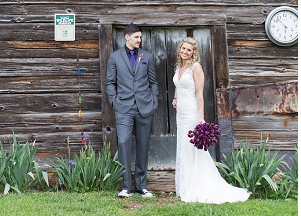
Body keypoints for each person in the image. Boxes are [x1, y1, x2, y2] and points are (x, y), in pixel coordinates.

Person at [172, 37, 249, 203]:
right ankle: (185, 185)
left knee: (193, 148)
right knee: (183, 146)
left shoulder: (195, 67)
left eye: (188, 50)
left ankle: (198, 185)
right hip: (181, 113)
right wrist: (175, 98)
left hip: (191, 112)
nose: (185, 52)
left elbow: (199, 93)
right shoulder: (180, 66)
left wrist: (201, 117)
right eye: (183, 48)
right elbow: (178, 85)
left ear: (193, 53)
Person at [105, 23, 159, 198]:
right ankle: (126, 186)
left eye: (140, 37)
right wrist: (114, 101)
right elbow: (110, 83)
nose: (139, 40)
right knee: (123, 142)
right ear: (127, 37)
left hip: (145, 107)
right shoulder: (114, 57)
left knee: (143, 144)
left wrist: (154, 101)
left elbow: (153, 82)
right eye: (136, 37)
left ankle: (141, 186)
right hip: (123, 107)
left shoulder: (147, 56)